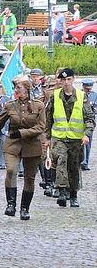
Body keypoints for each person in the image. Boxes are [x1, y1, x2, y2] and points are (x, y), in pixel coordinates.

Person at [0, 75, 45, 220]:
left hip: (32, 144)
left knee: (29, 178)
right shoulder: (10, 105)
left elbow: (41, 127)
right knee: (11, 170)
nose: (16, 90)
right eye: (15, 88)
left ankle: (25, 208)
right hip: (12, 144)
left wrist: (22, 133)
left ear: (27, 89)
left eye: (19, 88)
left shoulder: (38, 105)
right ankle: (11, 204)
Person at [45, 69, 94, 208]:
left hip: (76, 139)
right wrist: (47, 138)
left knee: (73, 166)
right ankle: (61, 191)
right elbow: (48, 118)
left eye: (69, 79)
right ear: (60, 81)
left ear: (73, 79)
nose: (66, 83)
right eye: (63, 80)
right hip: (59, 137)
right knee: (61, 161)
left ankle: (73, 194)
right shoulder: (55, 96)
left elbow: (89, 118)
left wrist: (87, 134)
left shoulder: (81, 96)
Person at [82, 79, 96, 171]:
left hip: (90, 122)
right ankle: (81, 161)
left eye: (89, 88)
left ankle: (85, 162)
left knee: (88, 143)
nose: (88, 90)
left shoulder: (95, 95)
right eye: (86, 88)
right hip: (80, 121)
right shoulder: (79, 94)